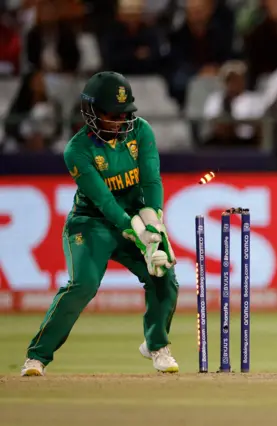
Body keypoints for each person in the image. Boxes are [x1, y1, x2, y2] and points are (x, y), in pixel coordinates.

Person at [21, 71, 180, 376]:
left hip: (137, 218)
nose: (120, 121)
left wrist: (154, 223)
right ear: (91, 111)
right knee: (83, 285)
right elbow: (105, 202)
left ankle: (156, 345)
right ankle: (37, 357)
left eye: (125, 114)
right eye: (112, 114)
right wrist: (137, 231)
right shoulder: (77, 150)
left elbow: (151, 180)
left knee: (164, 275)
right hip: (91, 224)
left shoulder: (141, 132)